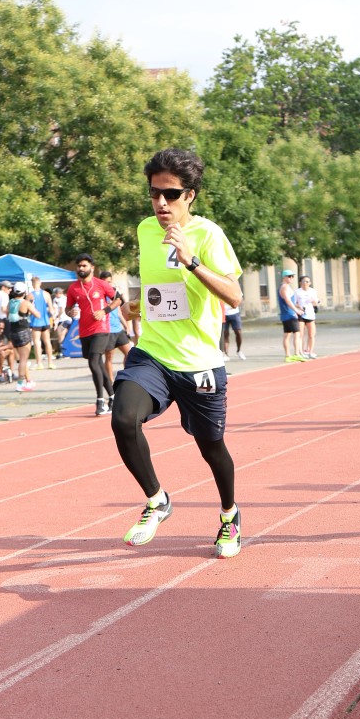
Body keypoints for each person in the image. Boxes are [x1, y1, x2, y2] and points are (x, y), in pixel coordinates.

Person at [111, 148, 244, 558]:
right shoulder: (145, 230)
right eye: (154, 193)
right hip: (153, 353)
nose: (161, 203)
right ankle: (157, 500)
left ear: (190, 195)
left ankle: (229, 515)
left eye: (171, 194)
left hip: (199, 363)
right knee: (123, 418)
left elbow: (235, 296)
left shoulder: (208, 234)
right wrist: (135, 307)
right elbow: (162, 291)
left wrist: (192, 261)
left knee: (211, 448)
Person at [65, 255, 122, 415]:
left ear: (92, 267)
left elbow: (118, 300)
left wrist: (104, 311)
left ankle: (100, 401)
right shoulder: (73, 288)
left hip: (101, 328)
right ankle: (113, 397)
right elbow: (68, 308)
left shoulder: (101, 284)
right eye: (79, 266)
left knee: (93, 362)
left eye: (84, 265)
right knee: (97, 364)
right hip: (84, 330)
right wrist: (70, 312)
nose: (81, 268)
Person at [99, 269, 133, 379]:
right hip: (108, 331)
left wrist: (126, 326)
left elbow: (118, 312)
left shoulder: (114, 294)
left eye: (109, 282)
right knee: (109, 357)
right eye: (105, 282)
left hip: (118, 330)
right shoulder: (99, 296)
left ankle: (126, 376)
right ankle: (111, 381)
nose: (107, 284)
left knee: (129, 354)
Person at [7, 282, 39, 392]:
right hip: (23, 331)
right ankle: (20, 384)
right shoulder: (25, 303)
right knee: (23, 360)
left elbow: (7, 313)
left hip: (13, 331)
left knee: (20, 358)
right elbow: (37, 315)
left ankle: (28, 381)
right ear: (24, 292)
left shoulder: (10, 302)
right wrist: (31, 304)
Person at [277, 268, 306, 362]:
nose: (291, 278)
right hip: (290, 314)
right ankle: (296, 354)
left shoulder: (285, 287)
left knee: (287, 334)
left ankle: (288, 356)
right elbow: (287, 300)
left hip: (286, 314)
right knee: (297, 333)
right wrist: (296, 310)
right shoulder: (284, 287)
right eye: (289, 276)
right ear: (284, 277)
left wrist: (298, 306)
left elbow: (290, 301)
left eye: (293, 276)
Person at [30, 275, 56, 370]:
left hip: (35, 321)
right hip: (45, 320)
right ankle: (50, 362)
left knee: (37, 342)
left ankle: (39, 363)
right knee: (47, 341)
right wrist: (54, 319)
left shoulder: (30, 295)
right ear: (40, 283)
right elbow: (51, 309)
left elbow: (29, 309)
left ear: (32, 284)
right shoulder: (46, 294)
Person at [293, 275, 318, 358]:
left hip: (310, 314)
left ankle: (310, 351)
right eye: (304, 281)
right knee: (300, 334)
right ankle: (301, 352)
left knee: (311, 334)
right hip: (301, 314)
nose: (305, 283)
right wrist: (299, 306)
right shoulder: (297, 292)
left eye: (307, 281)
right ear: (300, 283)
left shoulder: (313, 291)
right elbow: (294, 303)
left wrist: (313, 301)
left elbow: (316, 303)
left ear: (310, 283)